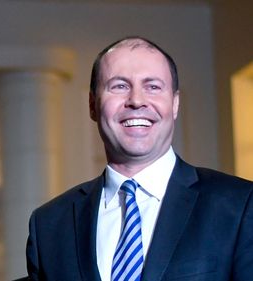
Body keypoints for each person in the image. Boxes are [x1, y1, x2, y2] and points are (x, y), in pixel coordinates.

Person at [24, 36, 253, 281]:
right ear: (92, 105)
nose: (136, 100)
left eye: (153, 86)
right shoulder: (49, 224)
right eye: (119, 86)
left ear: (175, 104)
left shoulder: (239, 205)